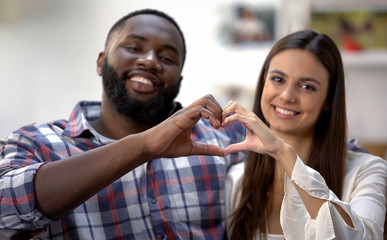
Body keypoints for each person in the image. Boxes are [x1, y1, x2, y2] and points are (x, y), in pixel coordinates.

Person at [0, 9, 247, 239]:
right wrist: (144, 145)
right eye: (133, 47)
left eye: (167, 58)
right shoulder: (35, 142)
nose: (150, 61)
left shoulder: (221, 135)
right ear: (101, 61)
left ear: (178, 80)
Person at [222, 30, 387, 239]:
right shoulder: (237, 180)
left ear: (328, 100)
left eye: (306, 86)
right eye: (277, 79)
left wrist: (284, 152)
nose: (286, 96)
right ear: (263, 83)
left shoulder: (367, 171)